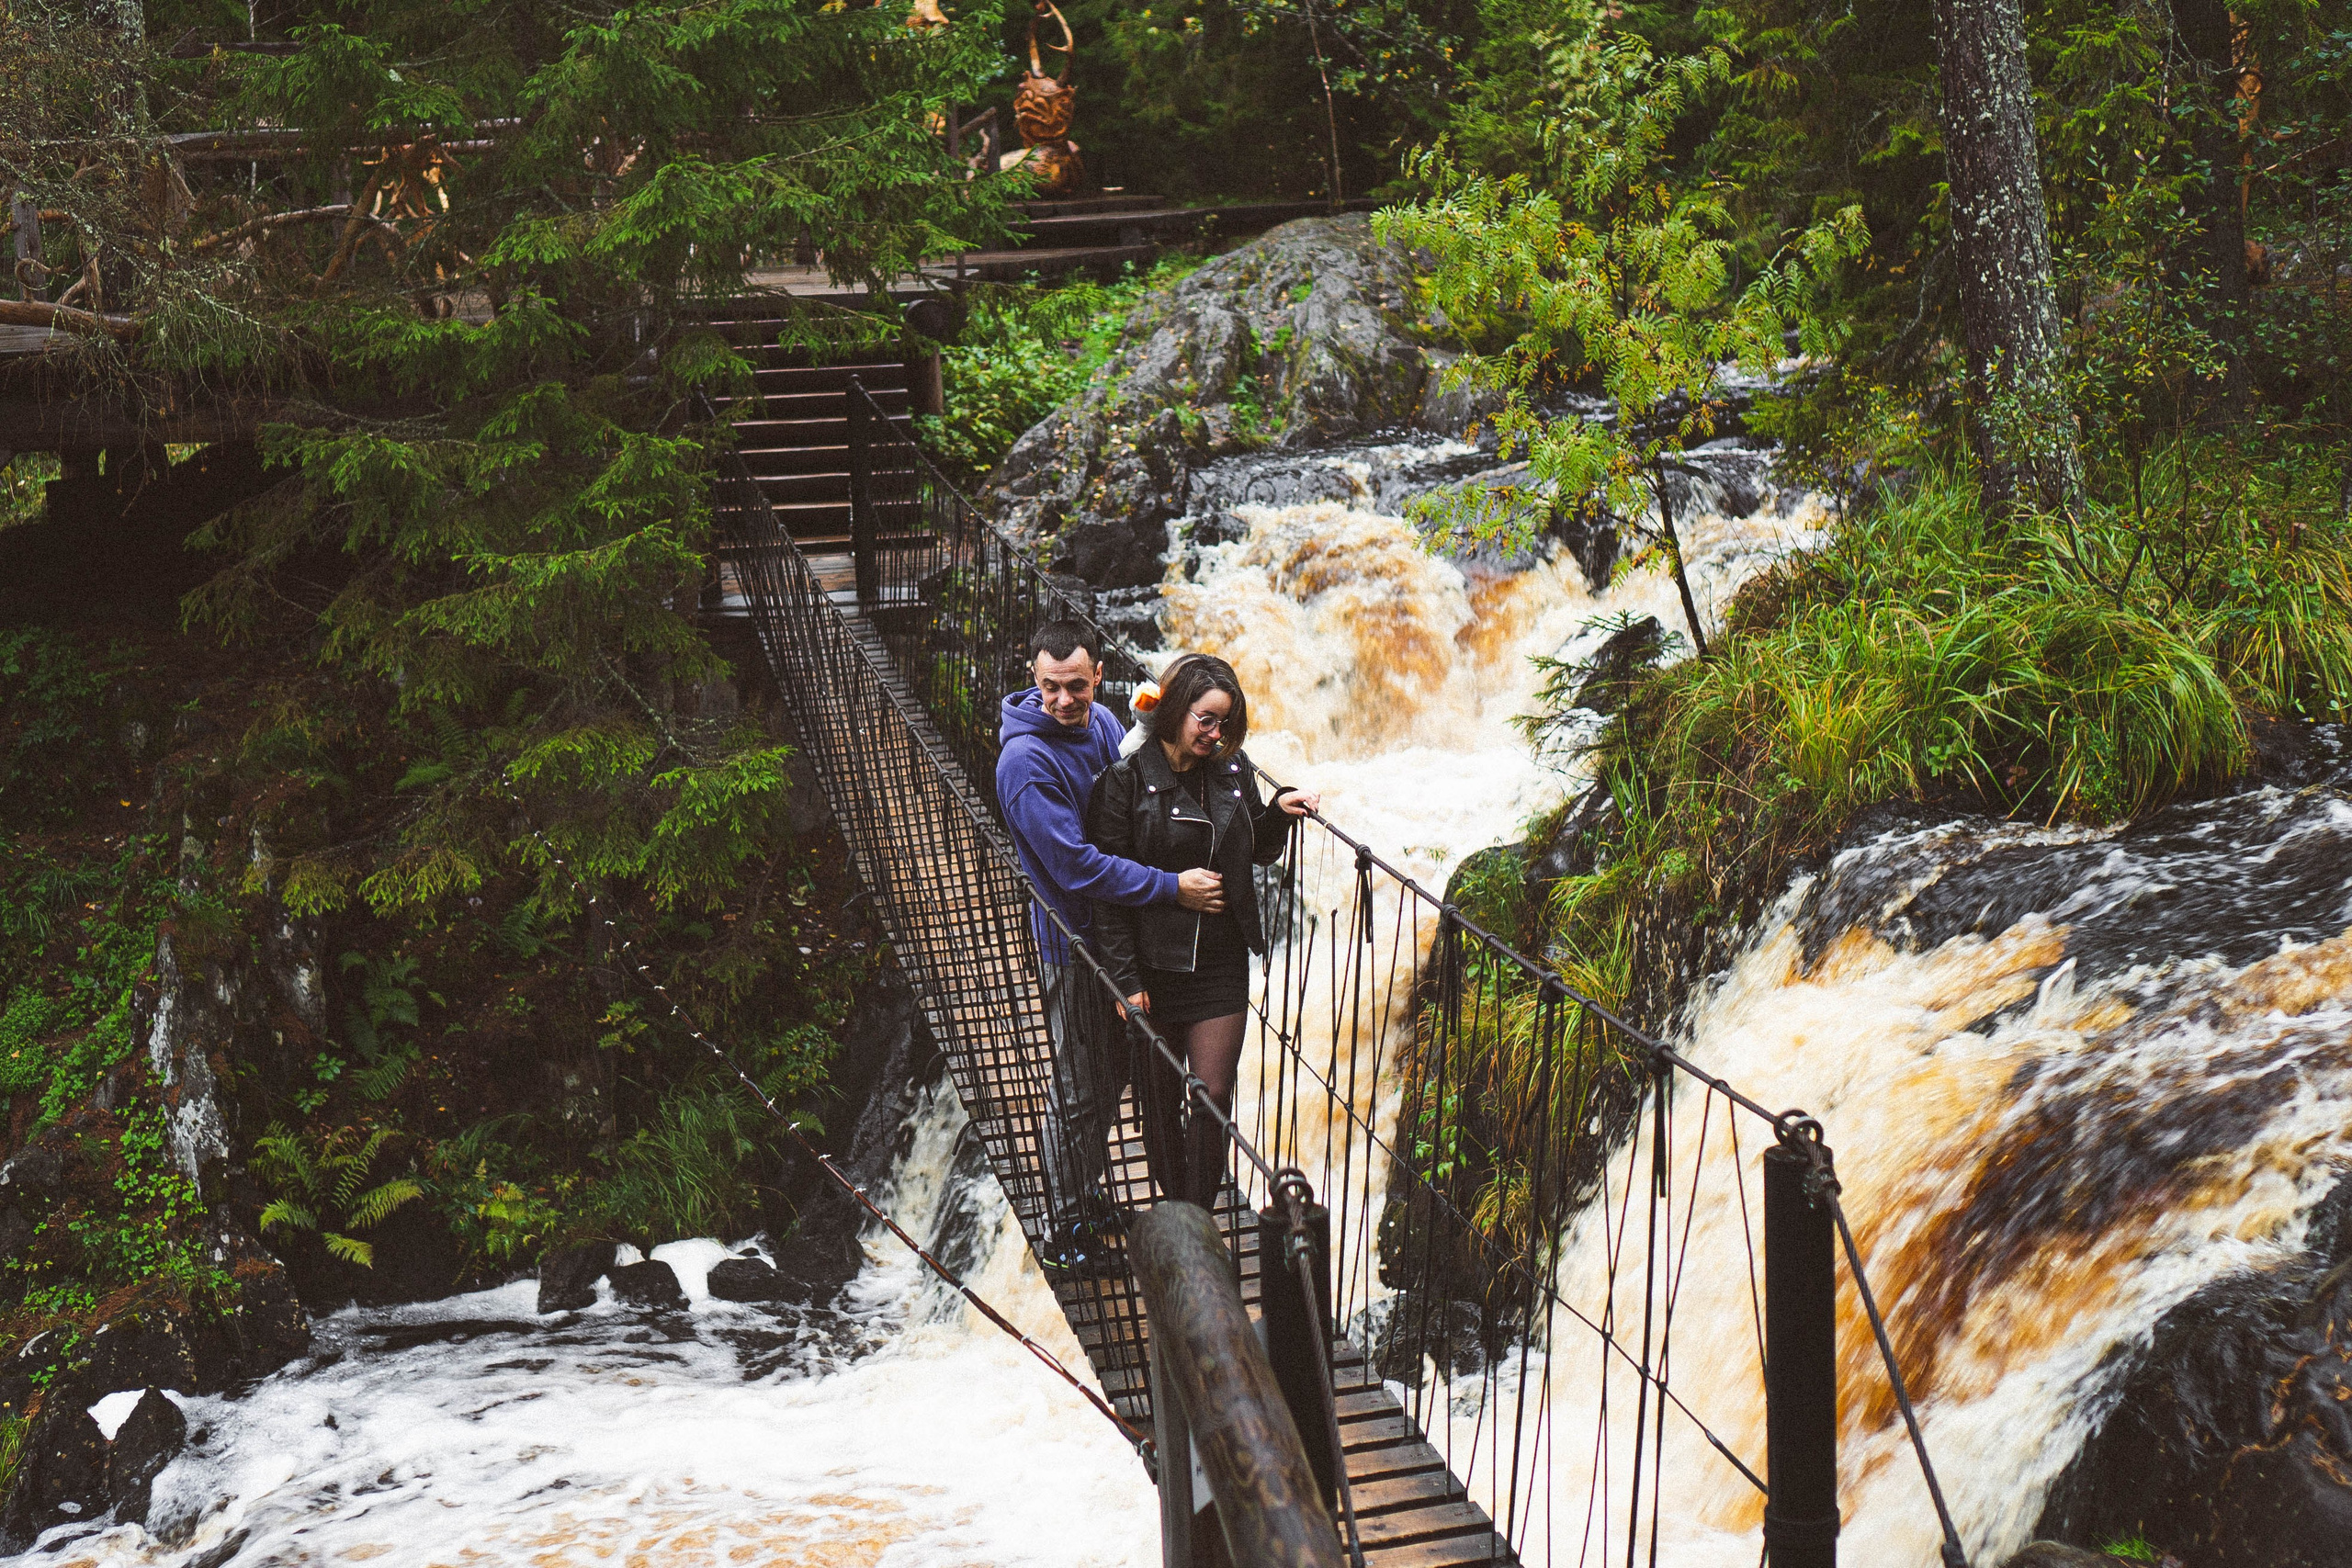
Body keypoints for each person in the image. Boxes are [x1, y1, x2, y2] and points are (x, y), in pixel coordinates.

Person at [996, 621, 1226, 1274]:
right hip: (1074, 946)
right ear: (1033, 678)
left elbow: (1121, 791)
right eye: (1049, 688)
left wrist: (1169, 725)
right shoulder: (1025, 764)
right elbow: (1076, 866)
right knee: (1079, 1086)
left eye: (1076, 686)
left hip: (1113, 940)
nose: (1063, 700)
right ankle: (1062, 1229)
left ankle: (1086, 1195)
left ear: (1098, 677)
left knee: (1107, 1077)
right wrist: (1171, 888)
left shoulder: (1094, 726)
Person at [1084, 653, 1319, 1208]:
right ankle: (1183, 1206)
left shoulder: (1233, 771)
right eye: (1205, 720)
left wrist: (1278, 813)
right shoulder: (1124, 782)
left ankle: (1197, 1217)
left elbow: (1256, 850)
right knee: (1160, 1103)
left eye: (1225, 723)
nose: (1215, 735)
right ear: (1173, 711)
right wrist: (1124, 978)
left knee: (1211, 1099)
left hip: (1220, 961)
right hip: (1153, 966)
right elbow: (1106, 890)